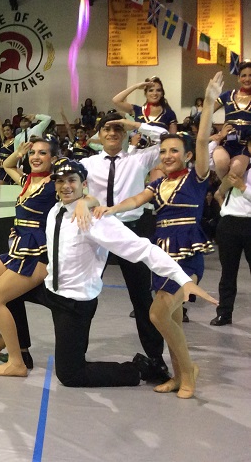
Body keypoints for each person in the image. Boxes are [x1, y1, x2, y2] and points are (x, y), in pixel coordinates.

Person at [13, 159, 216, 389]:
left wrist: (183, 279)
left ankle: (138, 370)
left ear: (84, 183)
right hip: (51, 290)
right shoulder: (54, 210)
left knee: (70, 375)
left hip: (74, 302)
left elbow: (143, 248)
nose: (65, 186)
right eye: (60, 181)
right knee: (7, 293)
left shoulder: (95, 220)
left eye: (72, 181)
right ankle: (18, 353)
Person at [94, 72, 221, 398]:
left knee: (156, 313)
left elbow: (203, 137)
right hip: (162, 257)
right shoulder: (158, 184)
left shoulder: (196, 177)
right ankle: (178, 375)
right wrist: (110, 210)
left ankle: (189, 372)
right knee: (173, 319)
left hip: (186, 258)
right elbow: (136, 200)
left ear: (188, 155)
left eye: (174, 151)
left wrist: (208, 104)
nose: (167, 155)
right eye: (163, 152)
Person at [0, 137, 97, 376]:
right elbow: (7, 166)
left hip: (38, 256)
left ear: (53, 158)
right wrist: (18, 153)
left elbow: (87, 195)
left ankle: (17, 362)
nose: (36, 157)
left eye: (42, 153)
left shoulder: (54, 184)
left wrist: (85, 204)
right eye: (32, 153)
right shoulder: (28, 180)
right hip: (18, 249)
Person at [77, 112, 172, 382]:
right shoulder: (87, 163)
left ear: (126, 132)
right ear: (98, 133)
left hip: (132, 228)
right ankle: (76, 352)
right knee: (85, 293)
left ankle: (155, 358)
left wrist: (137, 125)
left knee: (142, 297)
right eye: (106, 129)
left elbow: (168, 138)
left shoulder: (139, 158)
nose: (112, 133)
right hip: (97, 230)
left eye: (118, 129)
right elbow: (67, 183)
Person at [209, 141, 251, 326]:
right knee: (227, 272)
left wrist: (243, 188)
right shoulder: (231, 167)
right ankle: (224, 313)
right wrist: (217, 139)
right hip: (229, 223)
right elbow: (209, 156)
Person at [210, 61, 251, 179]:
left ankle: (220, 194)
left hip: (244, 146)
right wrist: (214, 135)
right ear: (238, 78)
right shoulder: (227, 95)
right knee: (222, 164)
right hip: (226, 143)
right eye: (244, 75)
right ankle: (225, 193)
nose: (247, 79)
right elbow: (203, 115)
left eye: (250, 75)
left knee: (235, 172)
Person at [112, 77, 178, 133]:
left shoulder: (169, 113)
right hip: (138, 148)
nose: (155, 93)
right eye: (151, 90)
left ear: (162, 93)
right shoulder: (138, 110)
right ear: (145, 93)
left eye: (158, 90)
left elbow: (172, 139)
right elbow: (116, 100)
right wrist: (136, 86)